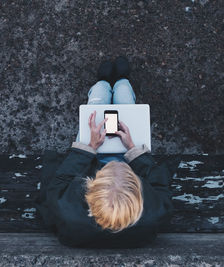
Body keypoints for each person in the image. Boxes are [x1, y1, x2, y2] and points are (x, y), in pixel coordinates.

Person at [38, 56, 174, 248]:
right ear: (138, 194)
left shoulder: (67, 211)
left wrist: (89, 149)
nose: (115, 163)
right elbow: (160, 185)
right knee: (126, 101)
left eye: (106, 171)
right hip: (128, 158)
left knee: (96, 106)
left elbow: (58, 182)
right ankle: (121, 82)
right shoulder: (155, 212)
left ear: (90, 190)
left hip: (90, 158)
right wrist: (133, 151)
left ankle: (103, 84)